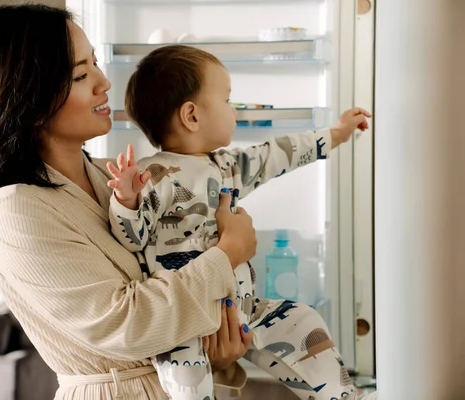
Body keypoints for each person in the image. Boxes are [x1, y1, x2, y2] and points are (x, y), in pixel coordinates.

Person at [0, 4, 260, 400]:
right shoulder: (15, 210)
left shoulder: (115, 179)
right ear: (29, 98)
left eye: (95, 63)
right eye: (81, 74)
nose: (104, 82)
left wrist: (214, 356)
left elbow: (169, 284)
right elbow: (127, 325)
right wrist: (228, 254)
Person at [106, 45, 375, 400]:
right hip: (183, 323)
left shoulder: (227, 165)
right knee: (187, 389)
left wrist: (336, 135)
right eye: (228, 100)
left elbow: (278, 153)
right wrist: (125, 200)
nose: (235, 111)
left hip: (243, 309)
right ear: (192, 115)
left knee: (302, 320)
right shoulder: (153, 176)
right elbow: (131, 237)